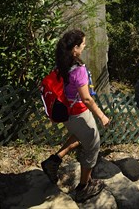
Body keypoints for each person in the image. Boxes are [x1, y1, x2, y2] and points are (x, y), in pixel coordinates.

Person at [41, 29, 110, 203]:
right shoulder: (78, 69)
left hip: (67, 112)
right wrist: (102, 116)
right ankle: (83, 188)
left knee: (80, 136)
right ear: (75, 49)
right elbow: (86, 98)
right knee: (93, 146)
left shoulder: (63, 64)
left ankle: (54, 161)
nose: (85, 46)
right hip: (78, 113)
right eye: (83, 44)